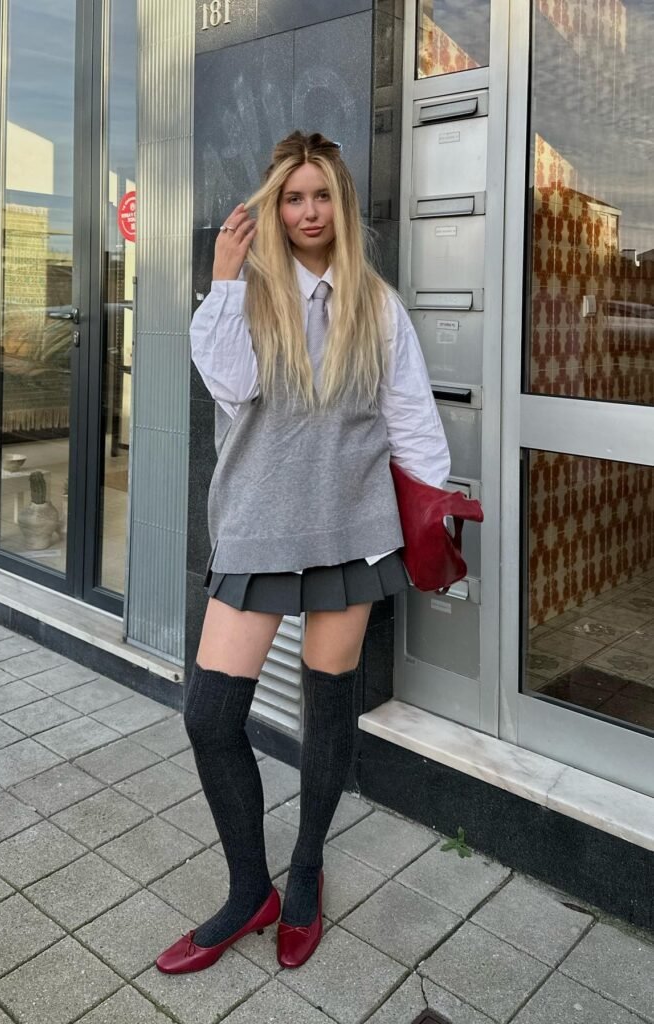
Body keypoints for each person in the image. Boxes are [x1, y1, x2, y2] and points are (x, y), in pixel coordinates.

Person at [156, 131, 450, 974]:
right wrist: (221, 278)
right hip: (255, 524)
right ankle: (251, 890)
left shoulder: (377, 304)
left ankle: (308, 868)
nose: (309, 212)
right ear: (274, 207)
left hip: (352, 529)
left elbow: (411, 417)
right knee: (210, 717)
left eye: (322, 197)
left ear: (342, 206)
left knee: (328, 714)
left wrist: (432, 514)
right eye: (294, 198)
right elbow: (230, 386)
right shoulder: (246, 295)